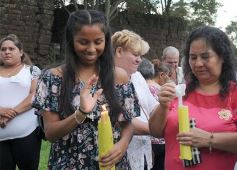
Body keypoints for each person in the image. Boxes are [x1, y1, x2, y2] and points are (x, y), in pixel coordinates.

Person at [32, 10, 140, 170]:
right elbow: (50, 133)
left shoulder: (119, 77)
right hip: (68, 163)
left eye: (98, 42)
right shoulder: (53, 78)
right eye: (83, 42)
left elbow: (127, 123)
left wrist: (123, 144)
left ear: (106, 40)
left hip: (110, 163)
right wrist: (80, 113)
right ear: (71, 40)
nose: (91, 49)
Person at [149, 26, 237, 170]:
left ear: (222, 57)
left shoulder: (234, 94)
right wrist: (163, 105)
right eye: (193, 57)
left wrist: (210, 139)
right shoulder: (180, 91)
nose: (198, 63)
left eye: (205, 56)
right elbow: (155, 132)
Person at [112, 29, 159, 170]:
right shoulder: (110, 79)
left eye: (141, 55)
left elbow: (153, 106)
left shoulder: (138, 76)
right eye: (135, 54)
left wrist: (167, 108)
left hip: (144, 151)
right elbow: (124, 120)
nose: (139, 59)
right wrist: (158, 130)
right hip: (122, 152)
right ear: (119, 52)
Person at [0, 34, 41, 170]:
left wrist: (10, 113)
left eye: (11, 49)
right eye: (3, 49)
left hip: (28, 135)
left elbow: (35, 94)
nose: (7, 52)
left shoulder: (32, 71)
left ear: (21, 52)